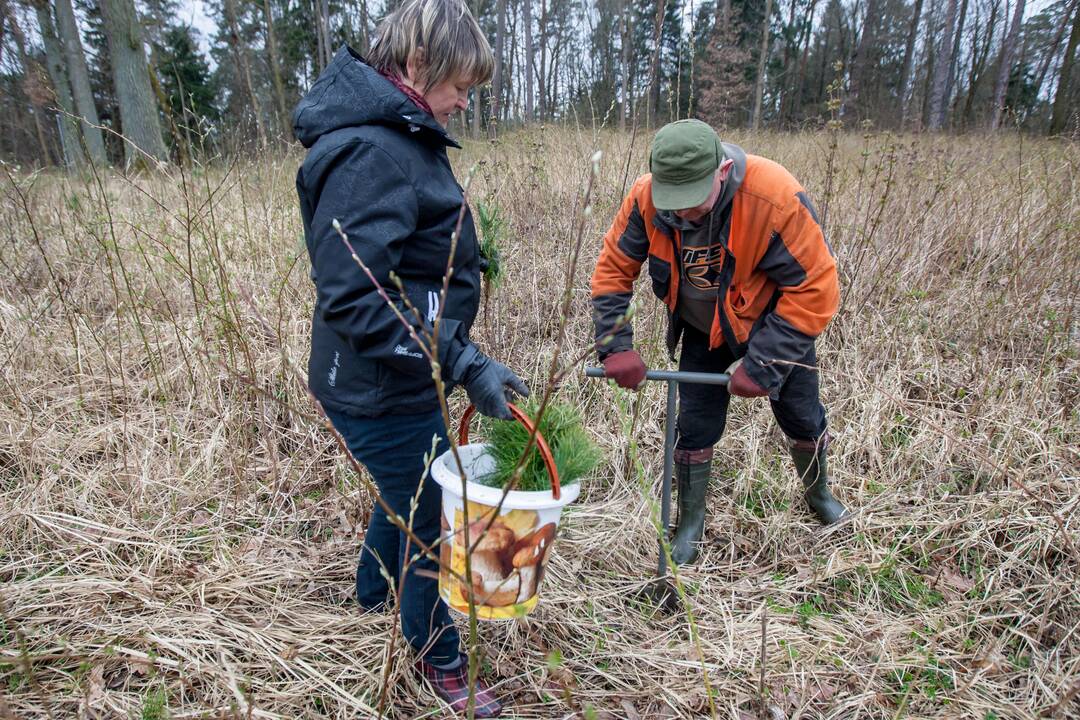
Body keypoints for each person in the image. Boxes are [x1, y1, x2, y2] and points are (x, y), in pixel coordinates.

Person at [293, 1, 523, 715]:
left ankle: (372, 593)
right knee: (431, 516)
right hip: (374, 380)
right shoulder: (373, 150)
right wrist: (460, 359)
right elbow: (358, 297)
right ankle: (438, 658)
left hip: (398, 371)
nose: (463, 102)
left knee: (411, 480)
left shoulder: (400, 134)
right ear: (418, 65)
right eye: (459, 85)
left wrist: (455, 349)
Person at [591, 119, 850, 566]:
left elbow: (817, 289)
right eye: (674, 201)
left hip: (774, 329)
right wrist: (616, 345)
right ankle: (690, 523)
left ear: (723, 171)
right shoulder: (644, 197)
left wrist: (763, 364)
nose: (683, 213)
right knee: (694, 427)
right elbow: (613, 271)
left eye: (694, 201)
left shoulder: (774, 197)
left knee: (803, 417)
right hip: (702, 330)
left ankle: (819, 494)